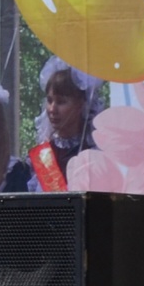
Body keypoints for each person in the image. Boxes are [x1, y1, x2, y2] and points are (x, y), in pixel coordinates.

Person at [27, 59, 101, 190]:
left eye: (61, 102)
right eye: (49, 101)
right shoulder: (43, 155)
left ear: (80, 104)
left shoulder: (94, 153)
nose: (52, 109)